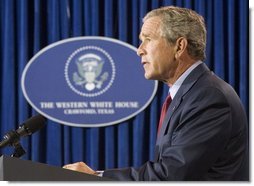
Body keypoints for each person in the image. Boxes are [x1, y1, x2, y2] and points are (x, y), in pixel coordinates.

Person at [63, 6, 248, 181]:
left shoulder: (209, 97)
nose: (139, 50)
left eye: (148, 39)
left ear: (179, 46)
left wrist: (97, 177)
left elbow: (172, 174)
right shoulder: (190, 93)